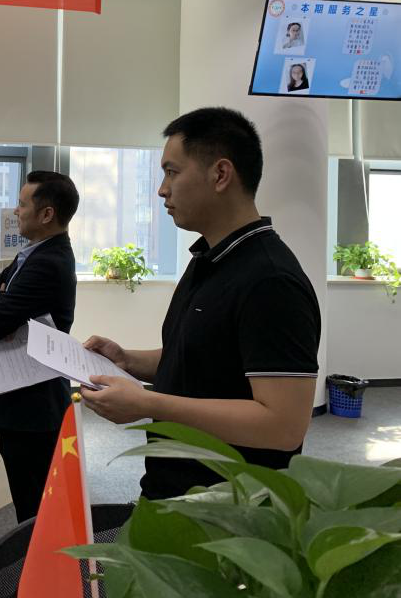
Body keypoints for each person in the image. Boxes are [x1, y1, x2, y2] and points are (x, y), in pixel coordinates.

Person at [82, 107, 321, 500]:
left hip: (229, 509)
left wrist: (148, 403)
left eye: (172, 172)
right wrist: (127, 360)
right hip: (174, 489)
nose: (162, 189)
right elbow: (203, 358)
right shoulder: (209, 258)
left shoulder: (271, 280)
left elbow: (283, 426)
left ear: (220, 174)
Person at [0, 171, 79, 523]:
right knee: (30, 502)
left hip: (32, 405)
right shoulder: (35, 252)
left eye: (22, 205)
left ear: (47, 214)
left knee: (35, 508)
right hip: (23, 400)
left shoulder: (49, 262)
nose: (16, 211)